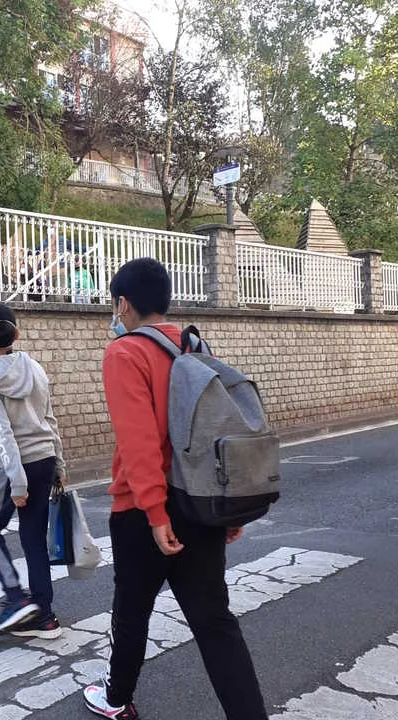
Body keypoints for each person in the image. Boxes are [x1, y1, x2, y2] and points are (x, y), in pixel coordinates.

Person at [82, 258, 267, 719]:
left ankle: (117, 699)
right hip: (201, 502)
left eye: (115, 305)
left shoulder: (125, 353)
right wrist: (228, 509)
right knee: (214, 621)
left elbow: (139, 441)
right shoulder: (193, 345)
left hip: (144, 511)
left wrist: (155, 513)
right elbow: (220, 429)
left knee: (132, 611)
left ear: (123, 304)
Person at [0, 302, 67, 639]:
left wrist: (16, 482)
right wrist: (59, 463)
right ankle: (45, 617)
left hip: (16, 466)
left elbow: (1, 433)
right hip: (44, 459)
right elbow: (50, 419)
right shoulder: (36, 368)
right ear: (17, 334)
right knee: (33, 539)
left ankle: (16, 598)